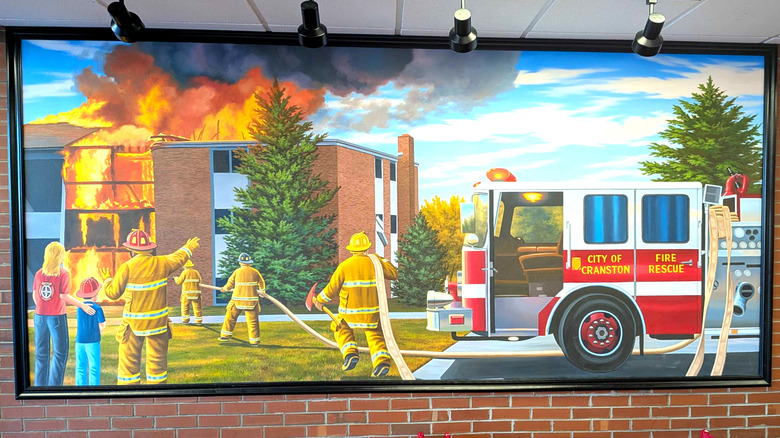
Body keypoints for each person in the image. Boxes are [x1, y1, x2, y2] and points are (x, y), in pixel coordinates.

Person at [101, 229, 199, 385]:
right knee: (157, 363)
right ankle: (158, 391)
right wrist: (189, 247)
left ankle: (129, 391)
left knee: (129, 363)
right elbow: (179, 257)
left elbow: (113, 293)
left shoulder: (127, 267)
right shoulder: (162, 263)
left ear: (131, 251)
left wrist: (106, 280)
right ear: (150, 249)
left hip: (133, 325)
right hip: (158, 324)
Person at [314, 231, 398, 377]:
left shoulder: (344, 266)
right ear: (367, 248)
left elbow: (331, 289)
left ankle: (350, 354)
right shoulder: (375, 264)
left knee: (340, 328)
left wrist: (319, 300)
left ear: (351, 249)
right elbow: (393, 274)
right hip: (372, 313)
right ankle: (381, 361)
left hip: (349, 314)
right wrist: (380, 259)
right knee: (375, 334)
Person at [32, 241, 96, 386]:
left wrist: (42, 307)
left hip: (39, 317)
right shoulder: (63, 274)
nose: (64, 256)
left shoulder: (38, 274)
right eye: (62, 254)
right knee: (59, 353)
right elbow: (64, 296)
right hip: (57, 317)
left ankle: (39, 386)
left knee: (41, 353)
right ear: (58, 256)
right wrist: (83, 305)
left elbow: (35, 295)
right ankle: (54, 386)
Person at [219, 253, 265, 347]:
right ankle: (254, 341)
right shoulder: (255, 272)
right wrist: (262, 291)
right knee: (253, 322)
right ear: (250, 263)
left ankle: (225, 336)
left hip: (237, 301)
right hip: (251, 301)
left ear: (240, 262)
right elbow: (261, 282)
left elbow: (230, 283)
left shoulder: (237, 271)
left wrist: (224, 289)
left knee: (230, 318)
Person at [74, 277, 106, 386]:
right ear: (95, 295)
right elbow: (102, 324)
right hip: (93, 341)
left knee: (80, 367)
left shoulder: (79, 308)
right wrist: (97, 331)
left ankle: (80, 388)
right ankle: (94, 388)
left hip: (80, 341)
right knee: (94, 368)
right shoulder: (97, 308)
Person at [174, 260, 202, 324]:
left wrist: (175, 278)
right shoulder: (196, 272)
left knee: (185, 307)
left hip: (186, 294)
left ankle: (185, 320)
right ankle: (198, 321)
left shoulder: (184, 272)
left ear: (185, 266)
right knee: (197, 307)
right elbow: (200, 281)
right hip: (196, 294)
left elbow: (179, 282)